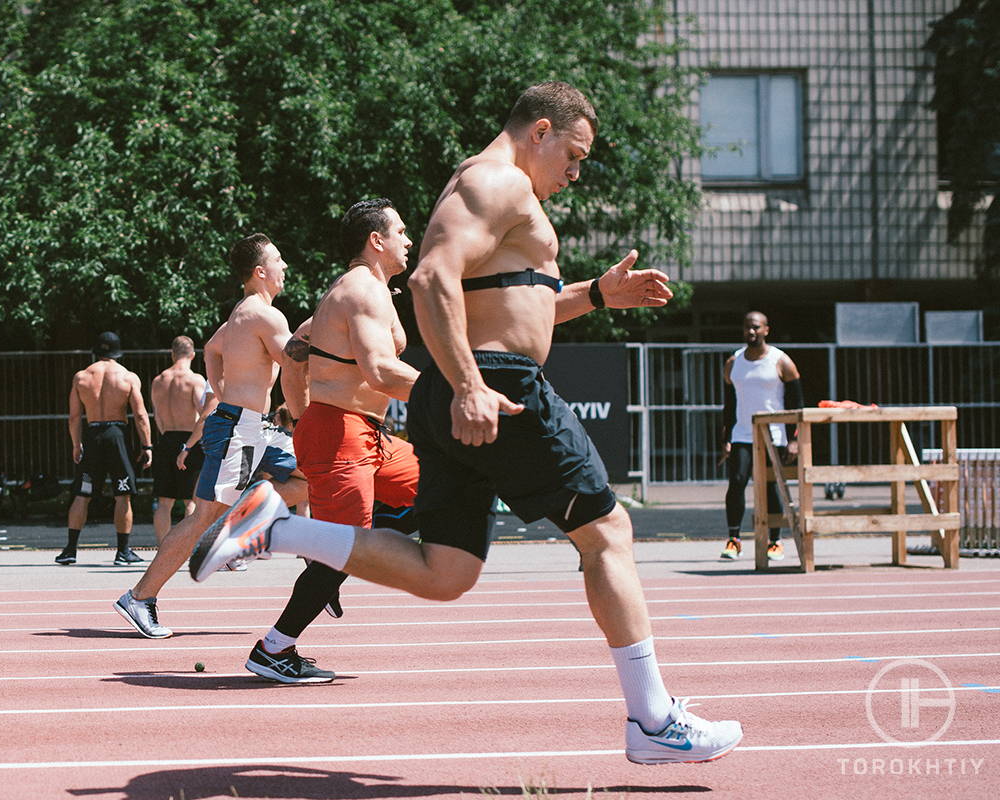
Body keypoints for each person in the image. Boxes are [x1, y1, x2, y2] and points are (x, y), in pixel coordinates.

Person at [188, 82, 743, 765]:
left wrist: (597, 294)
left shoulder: (508, 198)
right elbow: (431, 279)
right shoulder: (495, 181)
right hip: (496, 387)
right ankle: (654, 722)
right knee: (608, 532)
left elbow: (510, 302)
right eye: (574, 153)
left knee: (445, 573)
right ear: (540, 130)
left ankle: (275, 528)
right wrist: (470, 385)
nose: (577, 171)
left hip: (471, 385)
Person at [245, 198, 420, 684]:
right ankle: (273, 649)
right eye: (401, 232)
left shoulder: (364, 291)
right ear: (376, 240)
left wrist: (302, 416)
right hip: (341, 432)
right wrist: (456, 393)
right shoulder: (362, 290)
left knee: (436, 487)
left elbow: (298, 350)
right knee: (349, 548)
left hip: (366, 434)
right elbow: (381, 371)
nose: (409, 240)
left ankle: (327, 555)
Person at [113, 233, 308, 639]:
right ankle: (140, 596)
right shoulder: (264, 316)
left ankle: (262, 540)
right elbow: (294, 366)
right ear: (260, 272)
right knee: (204, 515)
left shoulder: (242, 313)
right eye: (278, 260)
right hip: (240, 425)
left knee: (310, 474)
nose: (284, 267)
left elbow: (211, 346)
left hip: (254, 426)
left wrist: (222, 390)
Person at [56, 331, 153, 566]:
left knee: (83, 493)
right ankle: (123, 551)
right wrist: (147, 445)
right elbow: (140, 415)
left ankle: (70, 549)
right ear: (118, 351)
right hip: (116, 435)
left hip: (92, 434)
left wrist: (76, 444)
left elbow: (74, 417)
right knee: (123, 493)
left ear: (96, 352)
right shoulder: (127, 377)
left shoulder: (81, 377)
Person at [718, 311, 803, 561]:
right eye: (746, 328)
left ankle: (775, 541)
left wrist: (794, 438)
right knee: (737, 482)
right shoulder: (733, 362)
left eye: (755, 327)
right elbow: (729, 403)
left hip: (773, 434)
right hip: (743, 433)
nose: (750, 332)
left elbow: (796, 401)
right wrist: (726, 438)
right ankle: (734, 539)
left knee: (770, 487)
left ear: (766, 329)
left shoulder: (781, 361)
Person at [150, 336, 213, 544]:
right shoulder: (194, 380)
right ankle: (186, 548)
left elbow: (157, 417)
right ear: (193, 355)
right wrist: (188, 445)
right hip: (189, 441)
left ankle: (163, 548)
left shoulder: (158, 381)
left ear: (172, 354)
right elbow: (203, 416)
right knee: (191, 501)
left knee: (164, 502)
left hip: (166, 438)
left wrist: (168, 436)